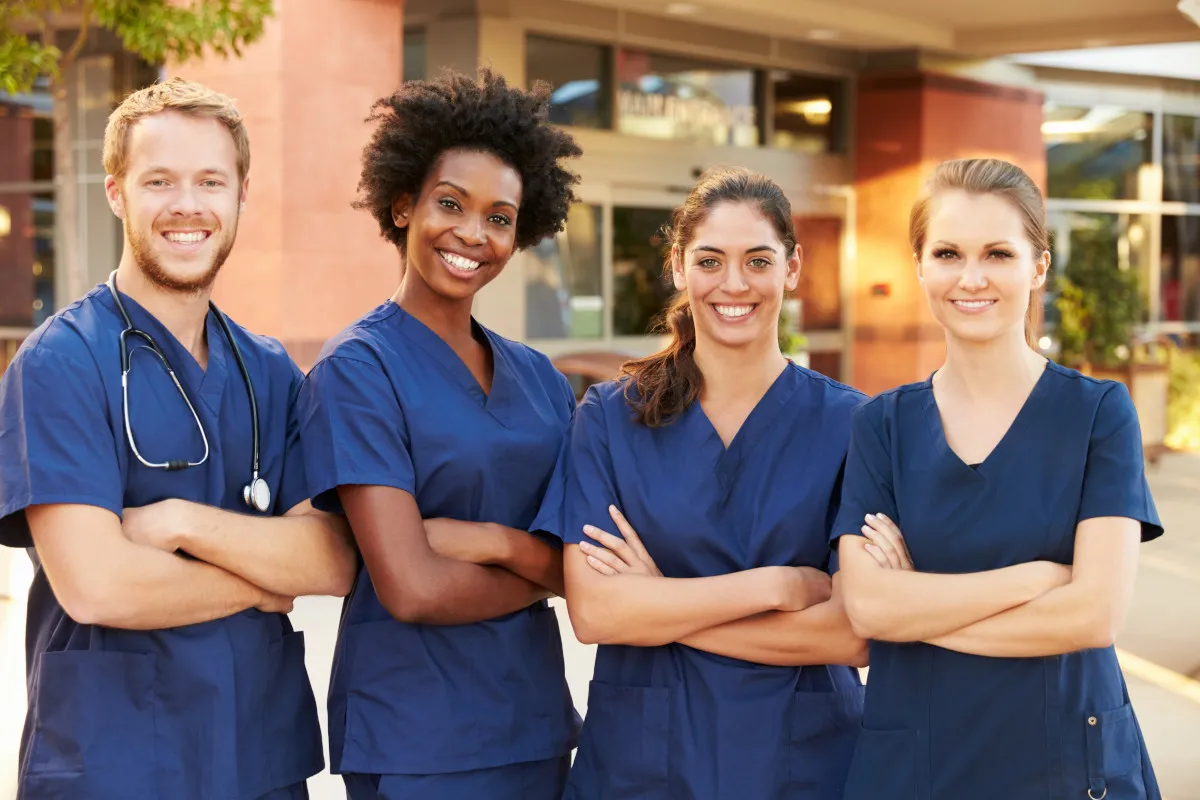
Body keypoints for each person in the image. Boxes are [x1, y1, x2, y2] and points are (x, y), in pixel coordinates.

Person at [0, 78, 357, 799]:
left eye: (210, 181)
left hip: (258, 760)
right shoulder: (61, 361)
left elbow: (332, 559)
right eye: (159, 180)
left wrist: (178, 522)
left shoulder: (270, 370)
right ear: (116, 192)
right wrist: (261, 581)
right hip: (117, 761)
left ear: (241, 196)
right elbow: (99, 586)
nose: (187, 205)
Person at [534, 166, 869, 799]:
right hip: (645, 766)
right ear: (679, 267)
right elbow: (597, 610)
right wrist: (775, 584)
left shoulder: (852, 424)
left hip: (802, 766)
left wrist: (660, 606)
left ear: (792, 268)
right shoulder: (610, 417)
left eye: (758, 260)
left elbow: (851, 633)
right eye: (710, 260)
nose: (733, 284)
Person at [833, 158, 1163, 800]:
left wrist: (916, 611)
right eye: (949, 253)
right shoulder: (882, 425)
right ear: (921, 265)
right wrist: (1033, 581)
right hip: (918, 761)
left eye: (998, 253)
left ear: (1038, 266)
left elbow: (1093, 616)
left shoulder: (1097, 414)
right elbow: (867, 605)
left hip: (1064, 759)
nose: (972, 277)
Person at [295, 69, 583, 800]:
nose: (472, 234)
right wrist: (542, 570)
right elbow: (413, 588)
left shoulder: (542, 380)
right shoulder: (358, 369)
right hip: (418, 740)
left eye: (500, 217)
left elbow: (582, 569)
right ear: (402, 206)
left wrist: (494, 543)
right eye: (450, 204)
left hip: (537, 726)